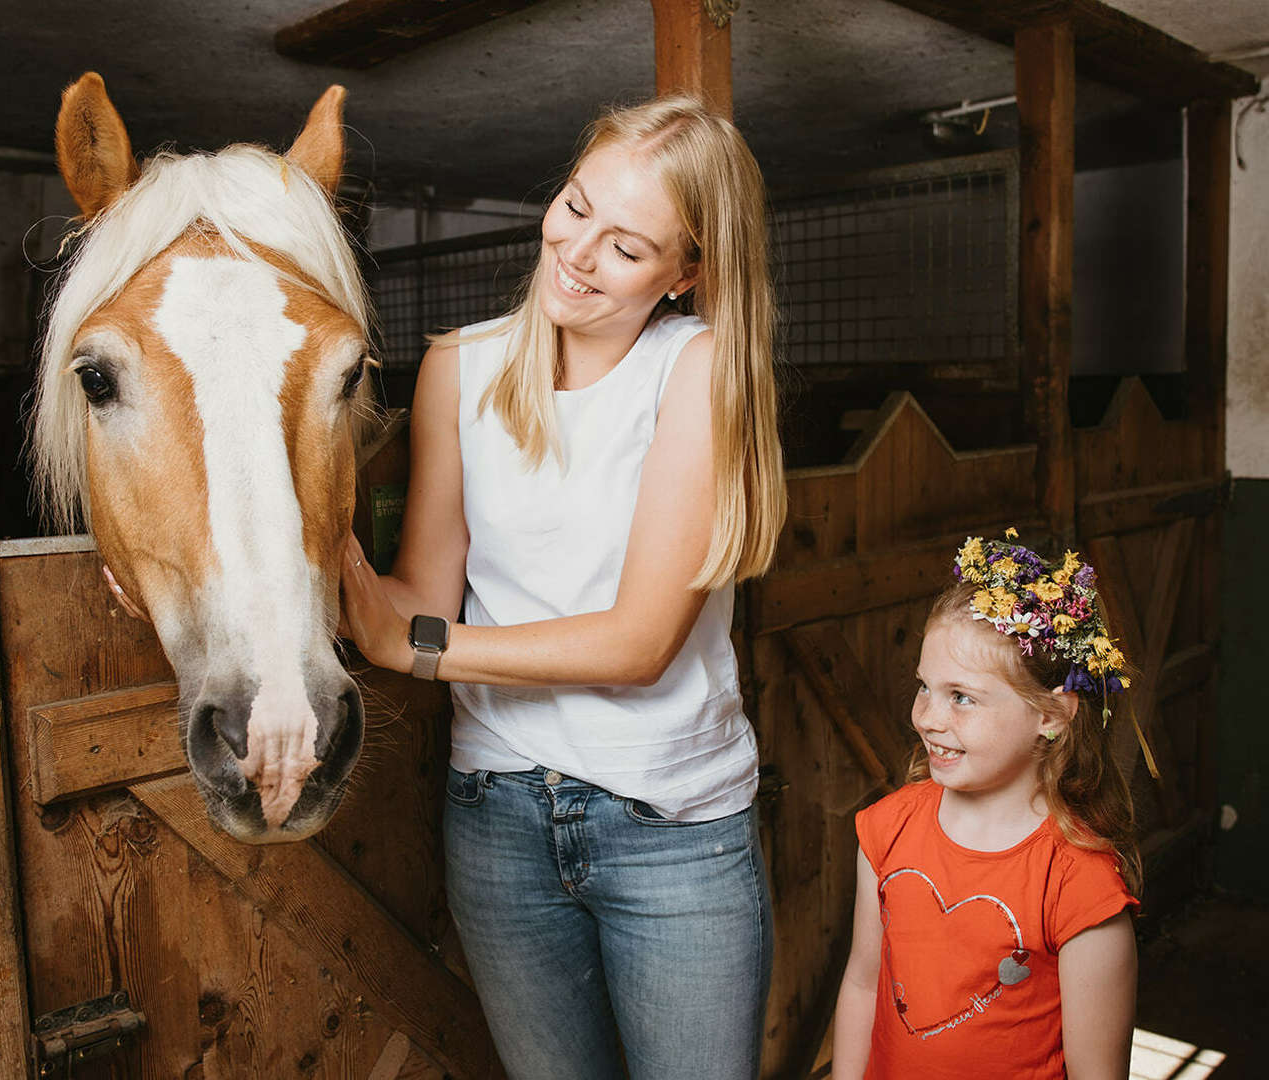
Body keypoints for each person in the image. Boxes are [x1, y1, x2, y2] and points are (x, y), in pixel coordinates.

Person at [339, 95, 786, 1079]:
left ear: (689, 272)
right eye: (576, 207)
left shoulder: (698, 369)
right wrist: (314, 546)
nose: (577, 254)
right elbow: (422, 587)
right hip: (495, 813)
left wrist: (417, 647)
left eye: (628, 247)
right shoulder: (460, 368)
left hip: (670, 827)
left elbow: (637, 644)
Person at [830, 531, 1141, 1079]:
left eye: (962, 697)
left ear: (1051, 715)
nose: (926, 716)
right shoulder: (886, 830)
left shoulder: (1078, 884)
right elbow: (862, 981)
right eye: (924, 687)